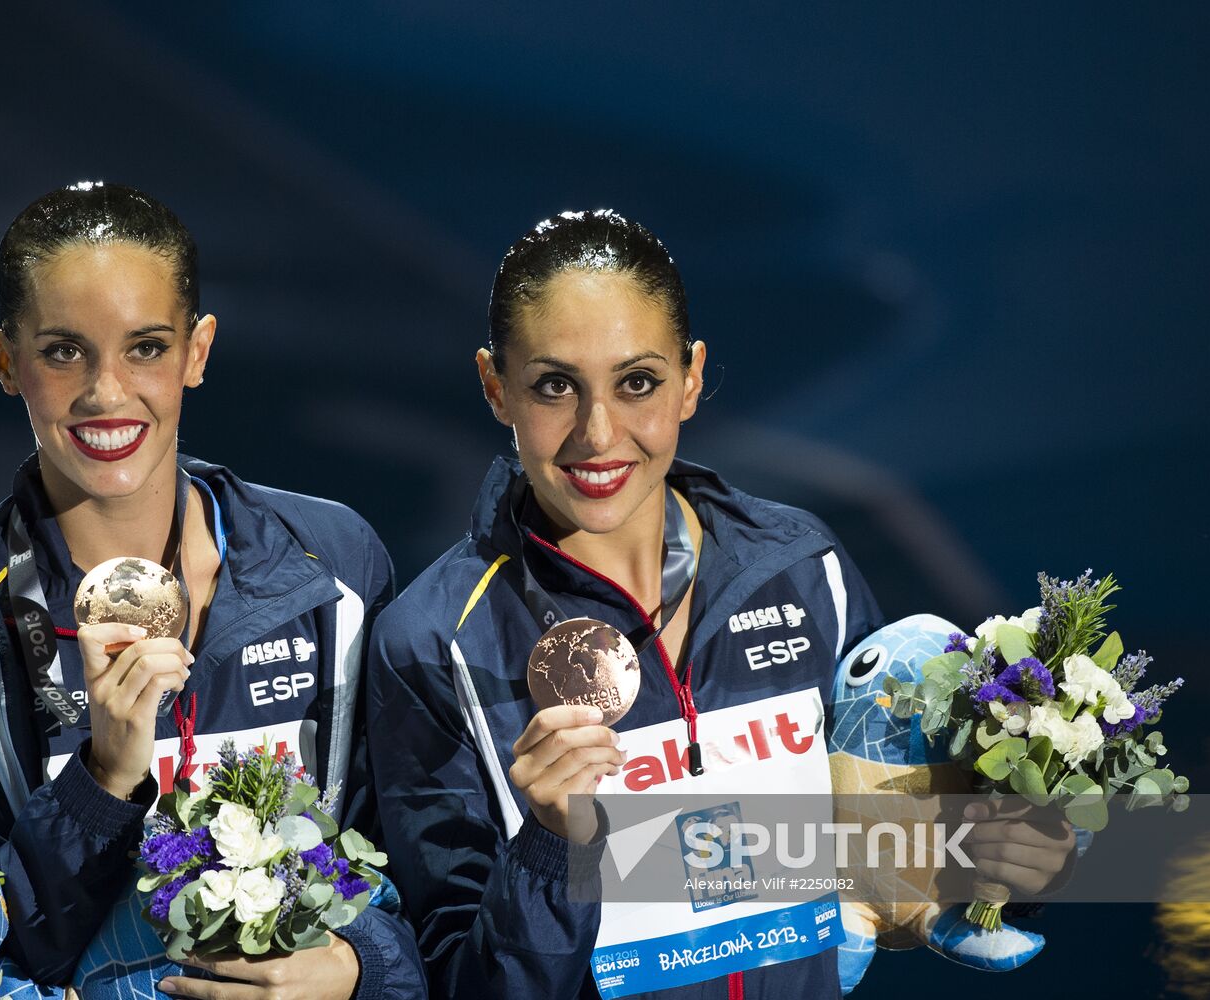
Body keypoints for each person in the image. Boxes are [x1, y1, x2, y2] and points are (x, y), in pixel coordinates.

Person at [366, 209, 1075, 998]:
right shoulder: (432, 641)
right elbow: (455, 983)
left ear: (691, 377)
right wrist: (550, 849)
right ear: (495, 387)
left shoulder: (802, 567)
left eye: (637, 382)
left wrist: (1004, 862)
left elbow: (881, 866)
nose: (597, 434)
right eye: (553, 386)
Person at [0, 181, 425, 999]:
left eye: (146, 348)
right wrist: (102, 779)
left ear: (197, 351)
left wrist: (360, 968)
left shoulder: (335, 562)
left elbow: (421, 877)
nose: (107, 393)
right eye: (64, 351)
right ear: (3, 359)